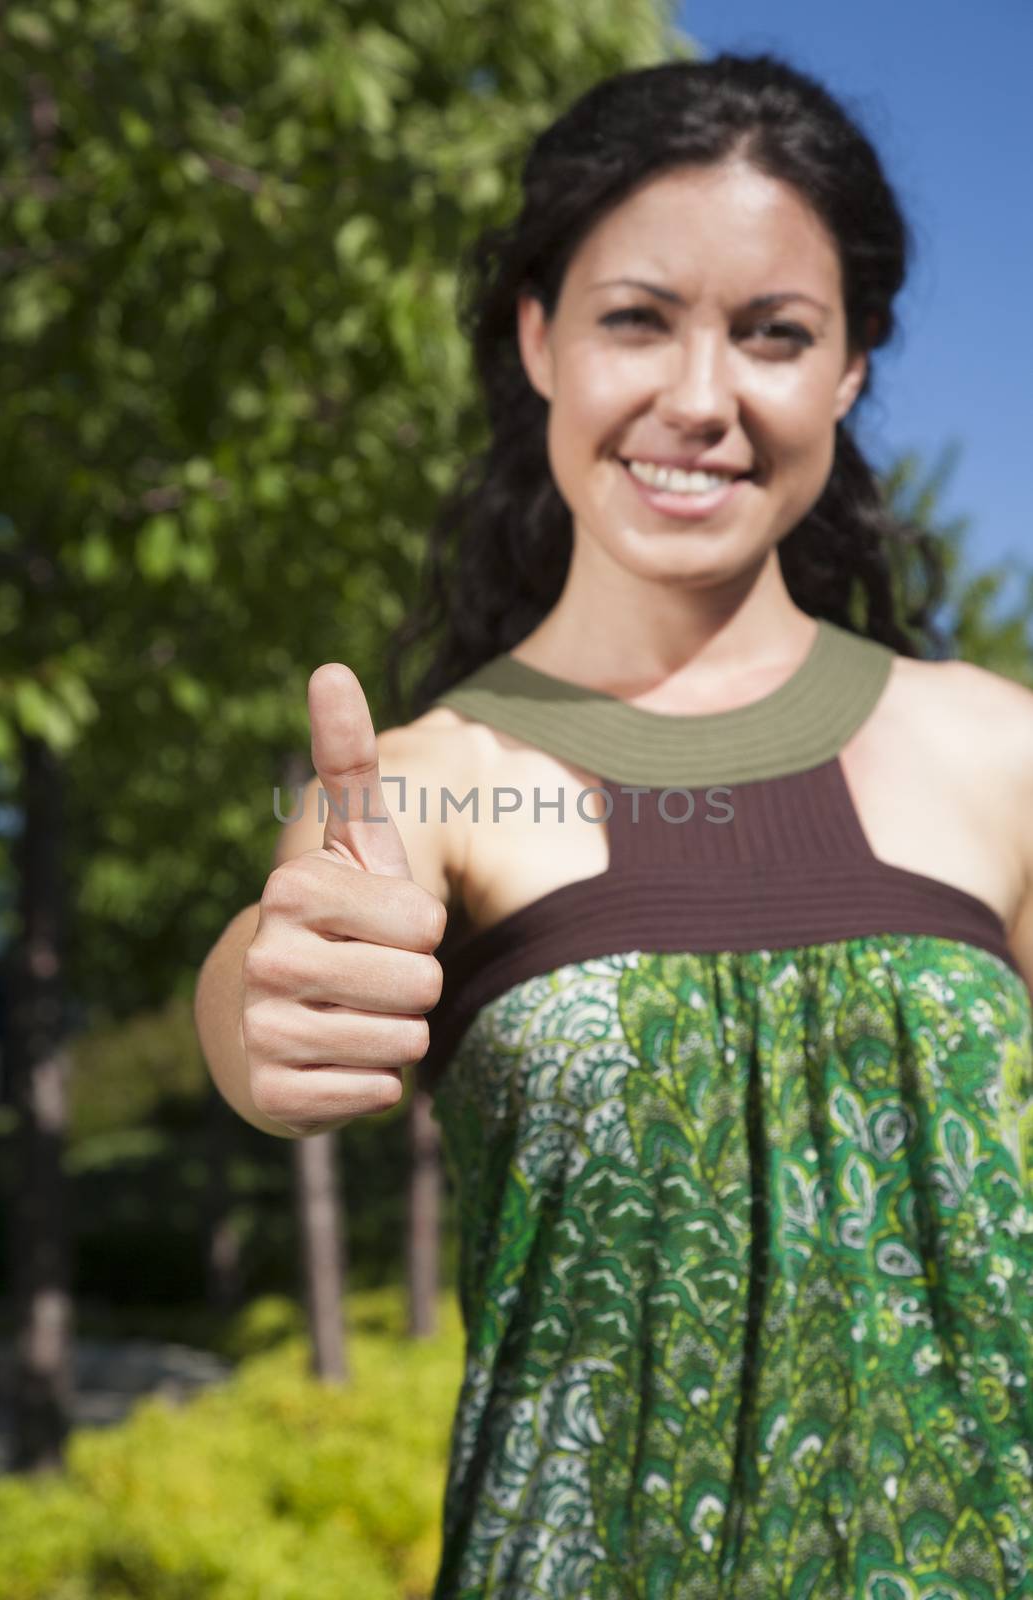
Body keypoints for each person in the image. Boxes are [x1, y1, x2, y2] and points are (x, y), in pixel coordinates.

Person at [194, 51, 1033, 1598]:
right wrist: (266, 1009)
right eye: (636, 318)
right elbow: (282, 984)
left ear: (850, 370)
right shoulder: (424, 778)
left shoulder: (1005, 754)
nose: (700, 400)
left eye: (776, 335)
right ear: (539, 339)